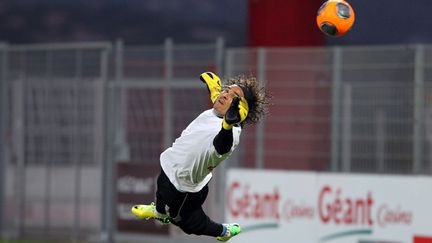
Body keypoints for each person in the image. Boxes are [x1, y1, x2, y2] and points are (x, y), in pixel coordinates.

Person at [131, 71, 269, 241]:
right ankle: (159, 213)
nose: (225, 95)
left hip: (185, 188)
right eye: (226, 90)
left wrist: (227, 125)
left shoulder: (231, 132)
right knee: (161, 189)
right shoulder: (216, 111)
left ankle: (224, 232)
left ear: (240, 110)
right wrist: (217, 91)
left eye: (234, 96)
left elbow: (222, 145)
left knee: (190, 224)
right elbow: (219, 99)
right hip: (170, 166)